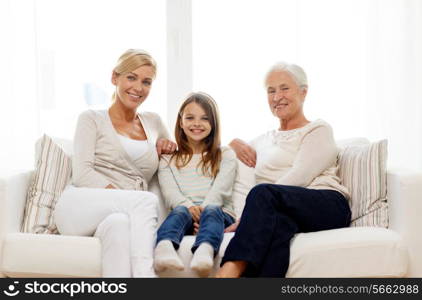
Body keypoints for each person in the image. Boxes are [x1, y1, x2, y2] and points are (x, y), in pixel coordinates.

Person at [216, 62, 352, 278]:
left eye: (284, 88)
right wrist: (233, 143)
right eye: (271, 91)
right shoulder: (263, 140)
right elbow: (215, 153)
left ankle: (227, 273)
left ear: (303, 92)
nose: (277, 96)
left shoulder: (317, 129)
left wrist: (251, 215)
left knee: (262, 192)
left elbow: (300, 176)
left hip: (327, 204)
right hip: (284, 211)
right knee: (276, 228)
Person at [54, 49, 176, 277]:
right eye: (131, 77)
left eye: (146, 82)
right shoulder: (91, 119)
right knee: (145, 202)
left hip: (121, 215)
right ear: (114, 78)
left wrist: (171, 148)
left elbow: (179, 162)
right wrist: (127, 198)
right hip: (80, 206)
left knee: (119, 227)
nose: (138, 88)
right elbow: (82, 174)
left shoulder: (154, 122)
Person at [154, 92, 236, 277]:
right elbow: (170, 193)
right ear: (181, 122)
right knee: (180, 211)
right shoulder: (168, 160)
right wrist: (190, 207)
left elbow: (220, 190)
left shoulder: (225, 155)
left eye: (204, 118)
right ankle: (164, 247)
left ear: (213, 123)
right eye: (190, 118)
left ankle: (205, 250)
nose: (196, 123)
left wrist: (204, 213)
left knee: (212, 210)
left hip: (219, 215)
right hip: (185, 215)